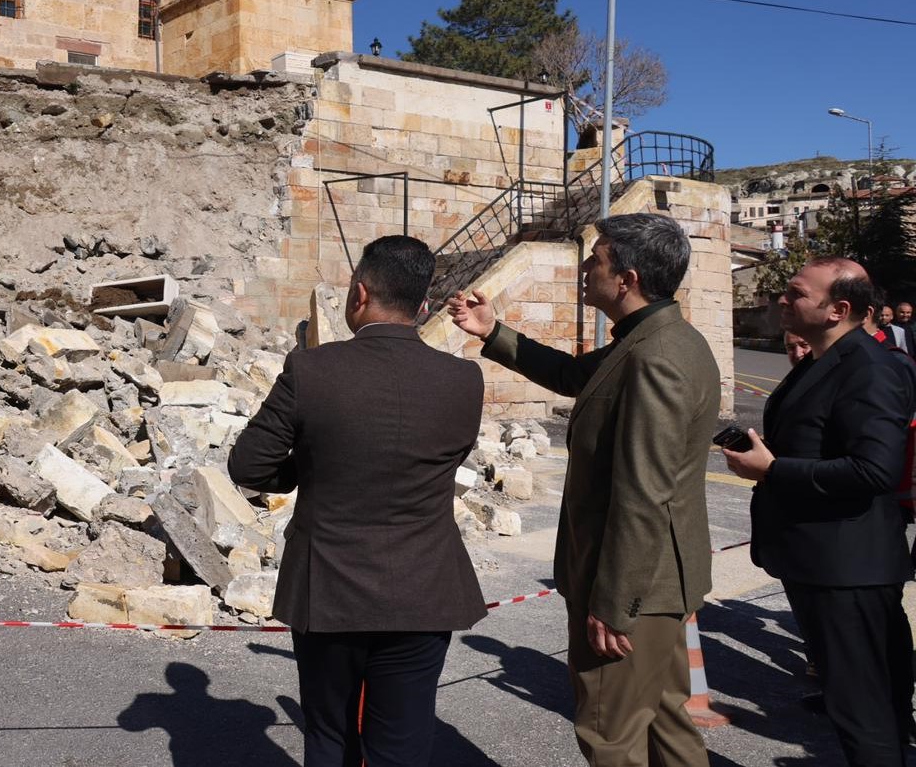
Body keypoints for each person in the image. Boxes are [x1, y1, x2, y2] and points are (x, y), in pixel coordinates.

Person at [449, 213, 719, 767]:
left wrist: (615, 603)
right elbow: (577, 377)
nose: (584, 270)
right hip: (657, 586)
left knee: (610, 736)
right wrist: (492, 331)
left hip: (634, 589)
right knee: (668, 726)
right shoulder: (653, 339)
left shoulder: (656, 358)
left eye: (595, 260)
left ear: (628, 278)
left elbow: (644, 493)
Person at [228, 235, 486, 767]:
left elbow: (248, 466)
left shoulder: (311, 370)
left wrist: (312, 464)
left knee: (329, 736)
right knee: (405, 741)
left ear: (359, 294)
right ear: (423, 306)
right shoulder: (464, 379)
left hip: (328, 588)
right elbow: (445, 457)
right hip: (423, 587)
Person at [724, 257, 916, 767]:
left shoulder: (870, 367)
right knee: (865, 710)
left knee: (866, 716)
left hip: (848, 571)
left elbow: (873, 471)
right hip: (820, 563)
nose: (781, 300)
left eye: (795, 293)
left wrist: (774, 468)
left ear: (839, 309)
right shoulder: (821, 361)